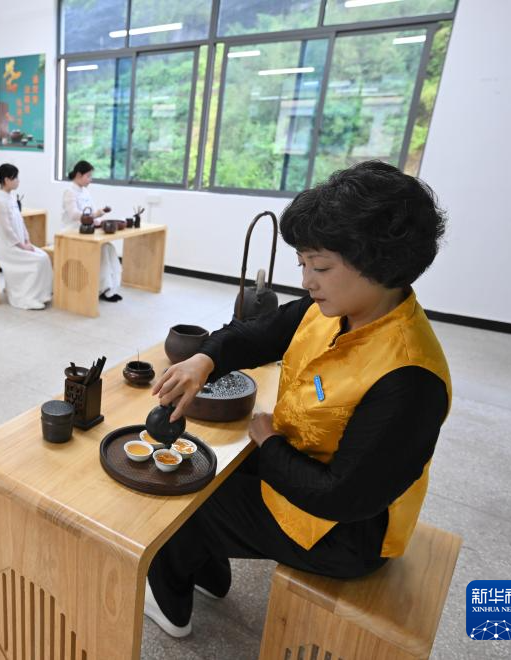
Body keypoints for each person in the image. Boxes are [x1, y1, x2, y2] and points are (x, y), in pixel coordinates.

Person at [143, 161, 451, 639]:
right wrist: (204, 360)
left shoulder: (410, 379)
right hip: (305, 468)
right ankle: (206, 574)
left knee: (187, 501)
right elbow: (257, 333)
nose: (307, 280)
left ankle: (169, 601)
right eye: (303, 264)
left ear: (380, 264)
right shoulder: (336, 309)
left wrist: (269, 443)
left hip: (345, 532)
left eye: (320, 267)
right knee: (202, 466)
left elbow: (341, 497)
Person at [0, 164, 52, 310]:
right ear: (6, 180)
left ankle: (41, 295)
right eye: (15, 178)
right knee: (38, 260)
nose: (18, 180)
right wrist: (22, 246)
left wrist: (27, 240)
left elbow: (20, 221)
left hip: (17, 242)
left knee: (44, 256)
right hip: (4, 246)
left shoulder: (10, 197)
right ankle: (25, 297)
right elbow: (6, 230)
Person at [61, 160, 122, 302]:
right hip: (73, 231)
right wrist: (94, 215)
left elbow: (93, 212)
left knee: (109, 248)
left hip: (88, 230)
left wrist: (99, 218)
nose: (90, 179)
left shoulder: (85, 191)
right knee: (102, 249)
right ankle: (104, 289)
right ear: (78, 175)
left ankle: (110, 288)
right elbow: (74, 214)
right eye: (88, 176)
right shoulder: (69, 191)